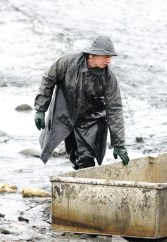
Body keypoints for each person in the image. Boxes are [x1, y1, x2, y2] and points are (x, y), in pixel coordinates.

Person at [34, 35, 129, 169]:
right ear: (92, 55)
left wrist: (119, 143)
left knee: (86, 158)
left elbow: (115, 108)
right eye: (106, 56)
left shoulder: (108, 78)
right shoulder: (66, 62)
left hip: (92, 120)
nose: (109, 61)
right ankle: (79, 183)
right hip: (65, 113)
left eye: (111, 57)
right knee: (75, 156)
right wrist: (40, 109)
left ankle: (86, 185)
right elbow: (48, 80)